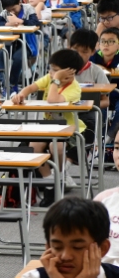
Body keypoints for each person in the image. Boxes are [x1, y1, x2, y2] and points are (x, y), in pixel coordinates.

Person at [9, 49, 86, 189]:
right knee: (34, 146)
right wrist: (21, 95)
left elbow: (52, 100)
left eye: (55, 70)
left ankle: (62, 174)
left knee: (56, 146)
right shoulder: (50, 78)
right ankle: (49, 179)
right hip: (48, 126)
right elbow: (31, 87)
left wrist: (56, 80)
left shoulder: (74, 89)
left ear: (70, 73)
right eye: (51, 69)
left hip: (69, 129)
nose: (51, 73)